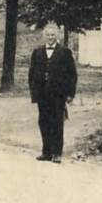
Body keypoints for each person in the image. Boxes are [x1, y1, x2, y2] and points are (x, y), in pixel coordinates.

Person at [28, 23, 78, 163]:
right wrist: (34, 92)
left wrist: (70, 94)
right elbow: (32, 74)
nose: (50, 37)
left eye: (53, 35)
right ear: (44, 36)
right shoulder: (37, 52)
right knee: (43, 122)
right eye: (48, 35)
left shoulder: (65, 52)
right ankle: (46, 152)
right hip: (42, 94)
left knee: (57, 122)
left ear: (57, 36)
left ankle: (57, 153)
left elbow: (72, 75)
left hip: (58, 94)